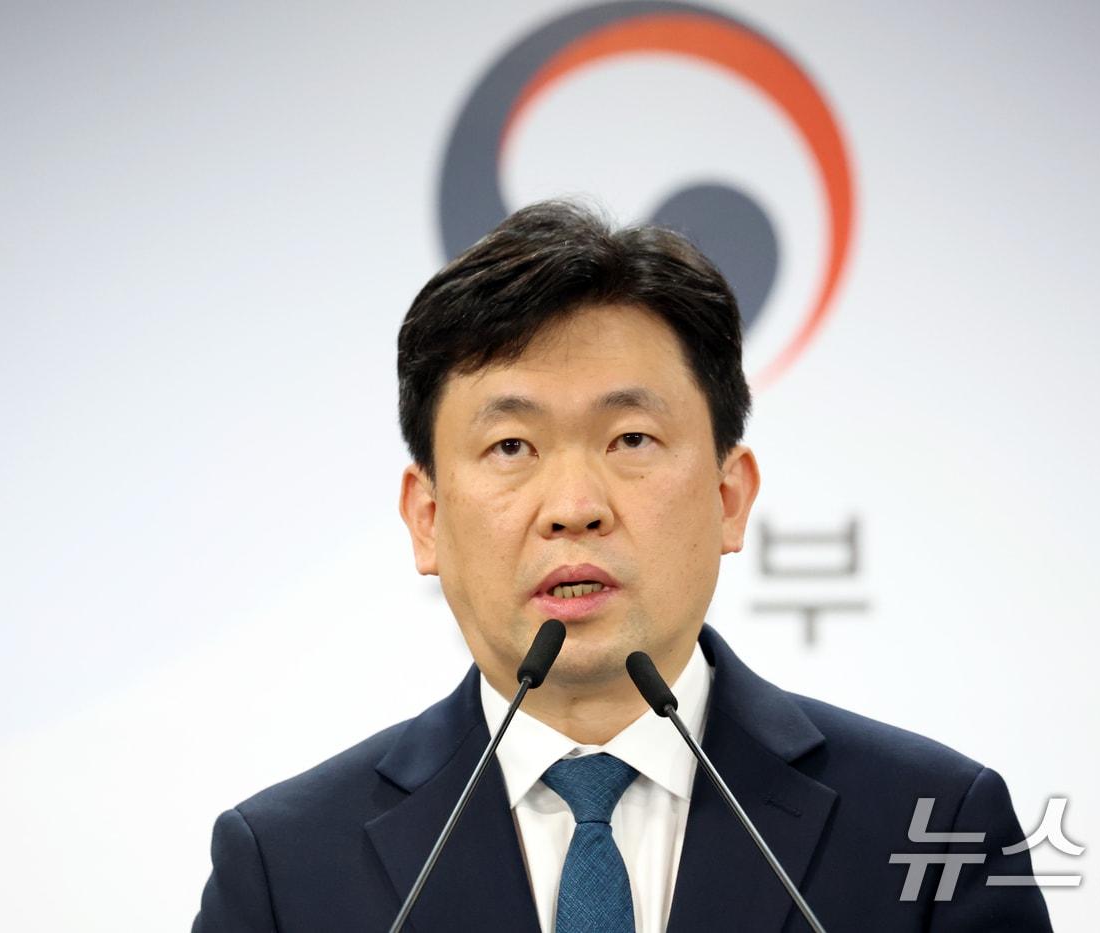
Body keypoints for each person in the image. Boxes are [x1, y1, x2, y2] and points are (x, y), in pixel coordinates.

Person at [192, 201, 1053, 932]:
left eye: (631, 438)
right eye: (511, 445)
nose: (574, 505)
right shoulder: (285, 868)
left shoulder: (933, 827)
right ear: (427, 519)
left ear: (728, 497)